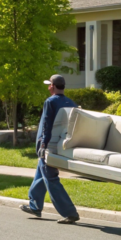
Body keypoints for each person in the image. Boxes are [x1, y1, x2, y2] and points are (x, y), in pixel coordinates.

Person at [21, 74, 80, 224]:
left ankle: (70, 212)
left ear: (53, 86)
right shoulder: (70, 103)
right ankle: (35, 205)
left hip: (49, 146)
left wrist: (42, 145)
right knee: (41, 174)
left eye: (49, 85)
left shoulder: (50, 102)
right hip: (60, 144)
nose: (48, 87)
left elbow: (47, 126)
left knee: (51, 178)